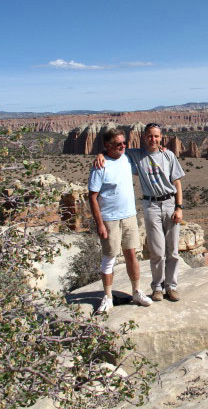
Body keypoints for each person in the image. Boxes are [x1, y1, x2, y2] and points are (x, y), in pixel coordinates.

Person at [96, 123, 185, 302]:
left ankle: (171, 286)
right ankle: (157, 287)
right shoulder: (135, 155)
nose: (153, 139)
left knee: (172, 251)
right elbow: (115, 151)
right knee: (157, 251)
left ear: (161, 138)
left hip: (170, 203)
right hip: (150, 205)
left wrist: (179, 207)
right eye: (150, 136)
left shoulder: (168, 156)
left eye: (156, 136)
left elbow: (177, 183)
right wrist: (100, 154)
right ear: (144, 137)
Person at [88, 128, 153, 314]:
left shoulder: (126, 159)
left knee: (131, 254)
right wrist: (99, 224)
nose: (123, 146)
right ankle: (107, 297)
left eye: (125, 143)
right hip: (109, 219)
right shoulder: (99, 166)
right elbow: (92, 197)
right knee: (109, 258)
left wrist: (162, 149)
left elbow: (148, 154)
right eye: (118, 144)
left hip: (129, 215)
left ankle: (136, 292)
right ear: (107, 145)